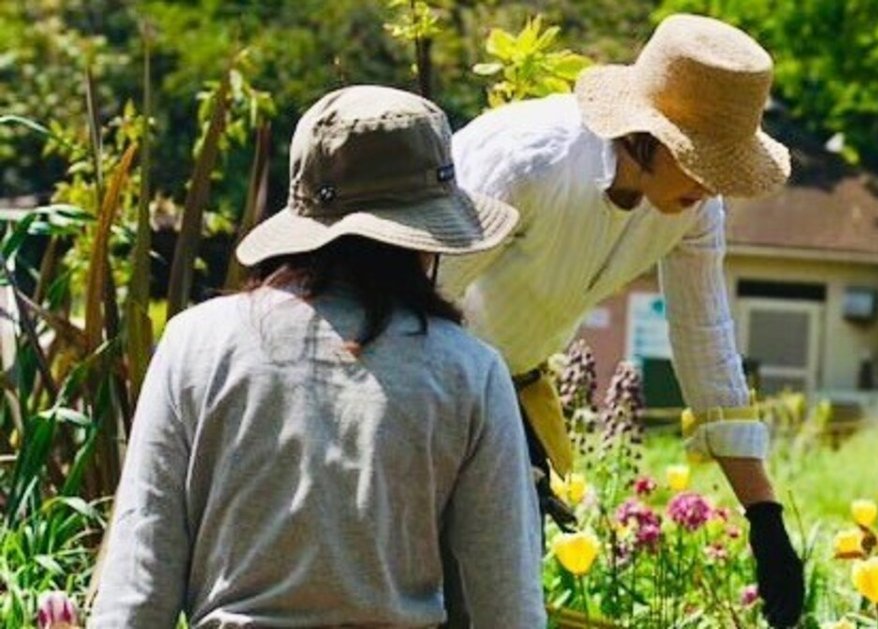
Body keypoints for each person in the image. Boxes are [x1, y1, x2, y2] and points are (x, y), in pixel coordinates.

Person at [89, 86, 545, 628]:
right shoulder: (468, 372)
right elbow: (505, 606)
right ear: (431, 231)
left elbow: (137, 591)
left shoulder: (195, 345)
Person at [441, 13, 804, 627]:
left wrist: (763, 516)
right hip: (423, 389)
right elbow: (420, 301)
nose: (715, 188)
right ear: (647, 135)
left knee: (504, 609)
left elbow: (705, 345)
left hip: (508, 394)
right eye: (704, 163)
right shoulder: (530, 165)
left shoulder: (692, 209)